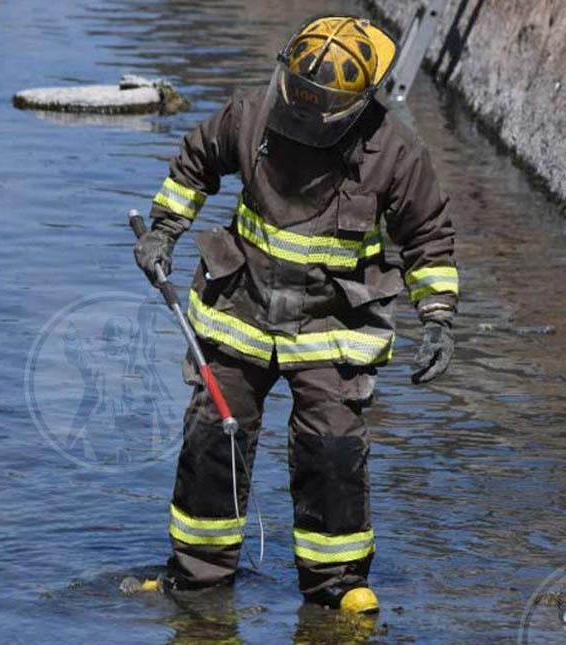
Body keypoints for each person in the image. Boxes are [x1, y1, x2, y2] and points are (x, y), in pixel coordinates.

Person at [133, 15, 458, 612]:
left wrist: (436, 316)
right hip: (242, 311)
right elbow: (196, 161)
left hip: (333, 327)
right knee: (213, 437)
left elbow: (427, 238)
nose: (305, 118)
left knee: (331, 449)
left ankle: (336, 589)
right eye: (299, 101)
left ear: (357, 104)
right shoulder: (251, 115)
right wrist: (165, 230)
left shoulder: (395, 151)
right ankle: (197, 579)